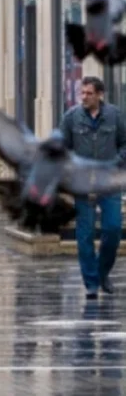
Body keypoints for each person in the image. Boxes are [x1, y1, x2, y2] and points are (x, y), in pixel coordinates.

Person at [60, 76, 126, 299]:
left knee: (113, 229)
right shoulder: (71, 118)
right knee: (85, 234)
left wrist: (115, 163)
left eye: (89, 93)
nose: (84, 97)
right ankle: (91, 283)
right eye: (83, 93)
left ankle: (101, 272)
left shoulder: (115, 116)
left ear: (100, 95)